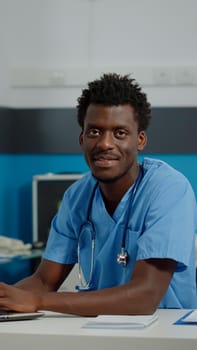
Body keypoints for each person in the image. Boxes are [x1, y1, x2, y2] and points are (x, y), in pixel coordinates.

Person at [0, 73, 196, 316]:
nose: (104, 143)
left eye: (120, 133)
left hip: (165, 329)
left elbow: (145, 296)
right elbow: (42, 282)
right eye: (94, 132)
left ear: (140, 140)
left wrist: (39, 301)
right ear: (82, 139)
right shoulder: (77, 197)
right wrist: (7, 298)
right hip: (98, 328)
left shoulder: (168, 189)